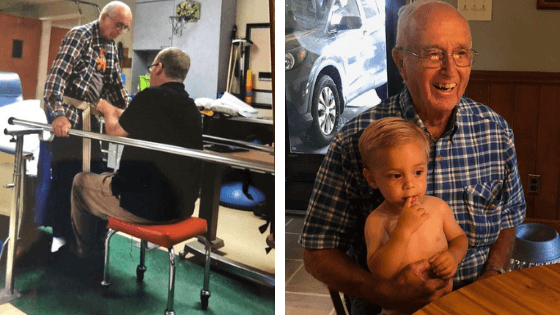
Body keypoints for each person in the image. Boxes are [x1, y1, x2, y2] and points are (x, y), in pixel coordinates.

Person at [300, 1, 526, 313]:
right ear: (401, 61)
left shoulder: (495, 131)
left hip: (477, 299)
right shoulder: (355, 140)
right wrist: (381, 291)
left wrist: (492, 274)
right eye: (433, 54)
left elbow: (510, 218)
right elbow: (317, 250)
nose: (450, 70)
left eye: (461, 53)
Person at [69, 47, 202, 264]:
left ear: (159, 68)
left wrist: (106, 109)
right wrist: (117, 112)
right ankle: (97, 245)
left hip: (148, 208)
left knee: (80, 182)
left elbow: (114, 132)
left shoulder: (150, 95)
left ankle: (83, 255)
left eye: (152, 68)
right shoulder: (189, 105)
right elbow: (137, 118)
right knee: (105, 176)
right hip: (182, 206)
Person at [42, 1, 132, 252]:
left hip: (92, 123)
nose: (120, 31)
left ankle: (87, 235)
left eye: (125, 28)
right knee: (67, 178)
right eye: (118, 25)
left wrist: (133, 111)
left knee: (93, 175)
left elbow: (115, 85)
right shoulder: (79, 36)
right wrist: (58, 115)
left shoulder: (111, 47)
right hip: (69, 121)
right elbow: (55, 79)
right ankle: (60, 237)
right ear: (104, 17)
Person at [360, 117, 468, 314]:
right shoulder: (377, 220)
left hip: (443, 304)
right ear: (372, 178)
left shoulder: (438, 208)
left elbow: (460, 239)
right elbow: (380, 271)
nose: (410, 184)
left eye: (418, 172)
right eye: (396, 175)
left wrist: (452, 257)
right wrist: (403, 232)